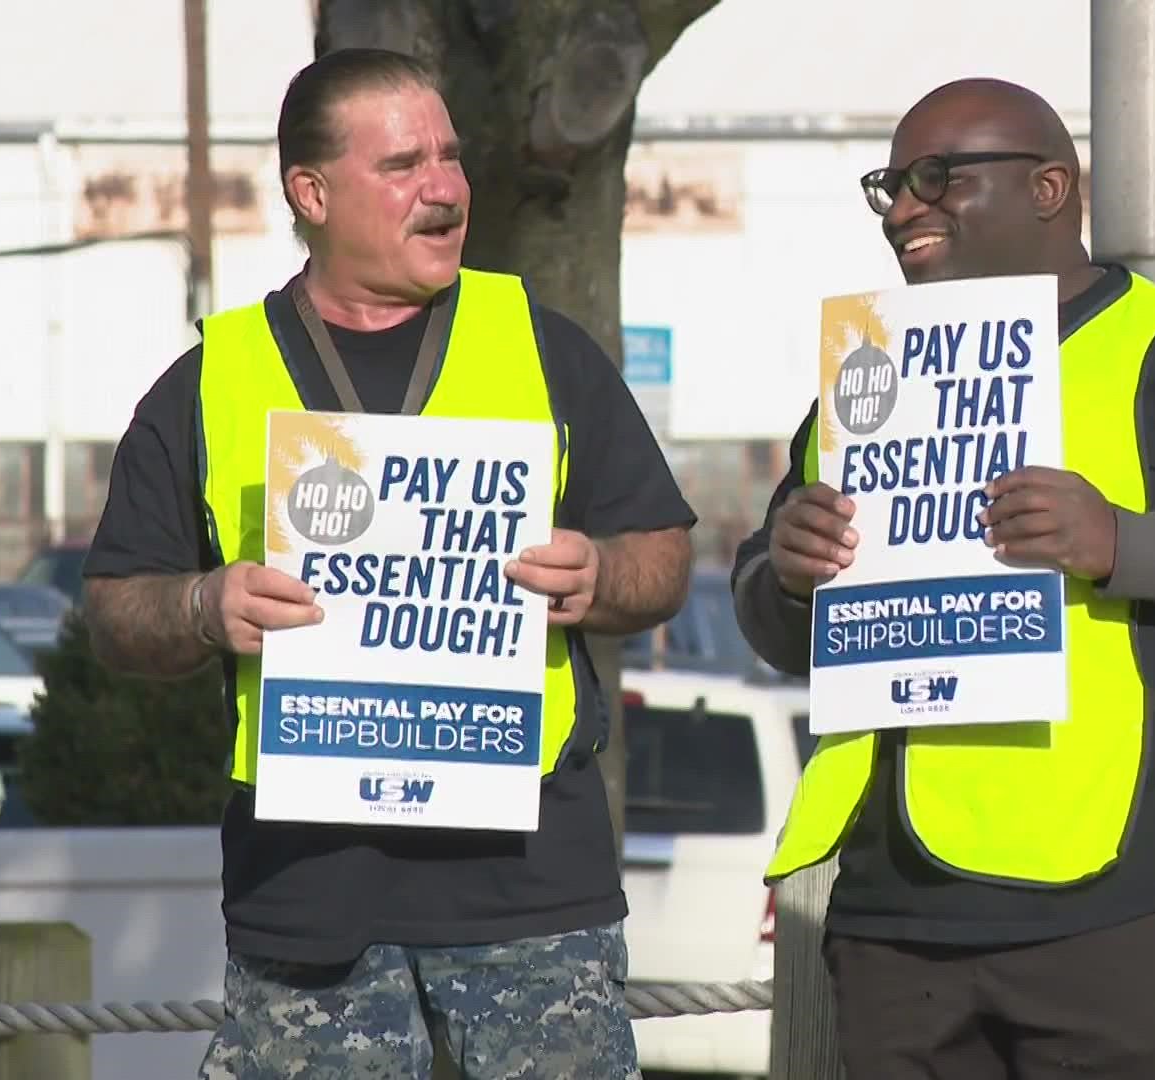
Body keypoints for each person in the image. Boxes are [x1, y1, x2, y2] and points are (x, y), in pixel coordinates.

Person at [731, 78, 1155, 1079]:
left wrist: (1121, 541)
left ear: (1048, 188)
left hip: (1141, 901)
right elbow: (773, 626)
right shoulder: (868, 381)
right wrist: (786, 576)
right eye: (891, 185)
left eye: (938, 178)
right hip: (901, 914)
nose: (906, 207)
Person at [78, 48, 696, 1080]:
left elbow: (664, 555)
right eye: (404, 164)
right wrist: (199, 605)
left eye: (451, 158)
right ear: (310, 194)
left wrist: (599, 574)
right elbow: (112, 608)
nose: (446, 188)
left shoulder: (544, 349)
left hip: (530, 892)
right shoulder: (210, 381)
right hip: (309, 904)